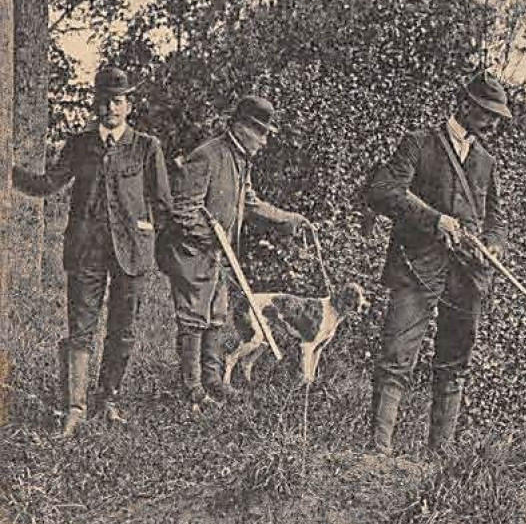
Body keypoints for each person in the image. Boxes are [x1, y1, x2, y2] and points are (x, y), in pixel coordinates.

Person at [11, 67, 172, 436]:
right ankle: (74, 409)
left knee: (123, 329)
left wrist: (150, 228)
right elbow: (48, 183)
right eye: (103, 100)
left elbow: (162, 203)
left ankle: (108, 399)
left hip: (130, 252)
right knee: (80, 329)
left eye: (117, 100)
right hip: (86, 252)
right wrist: (9, 172)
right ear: (95, 103)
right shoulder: (80, 145)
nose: (109, 108)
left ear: (128, 105)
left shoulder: (147, 147)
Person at [363, 70, 510, 456]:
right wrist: (434, 220)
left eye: (496, 115)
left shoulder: (486, 162)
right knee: (397, 356)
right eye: (486, 112)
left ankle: (439, 455)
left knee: (455, 361)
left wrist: (492, 248)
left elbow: (496, 219)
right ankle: (379, 452)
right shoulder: (419, 143)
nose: (493, 121)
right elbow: (383, 191)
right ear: (464, 105)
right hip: (416, 267)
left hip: (467, 276)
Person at [160, 95, 310, 409]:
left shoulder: (241, 160)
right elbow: (183, 210)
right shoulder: (207, 156)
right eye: (262, 133)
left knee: (216, 317)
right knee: (193, 319)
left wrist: (286, 218)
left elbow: (250, 201)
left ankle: (213, 381)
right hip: (192, 253)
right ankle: (191, 388)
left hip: (219, 256)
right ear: (241, 128)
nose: (265, 141)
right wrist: (211, 241)